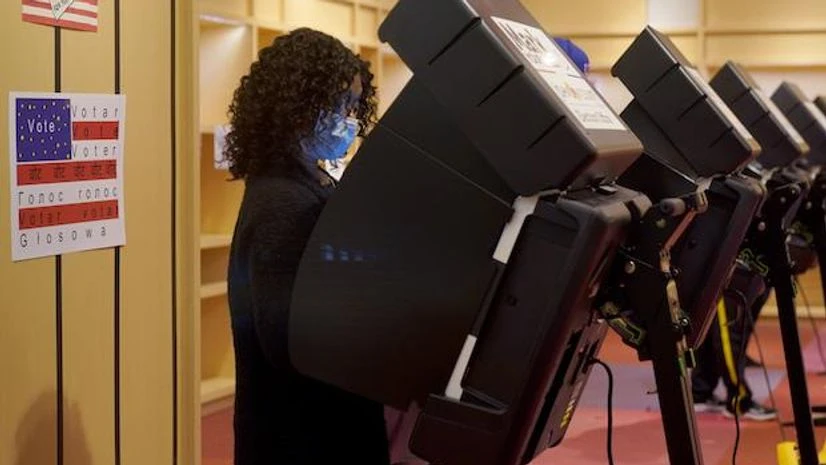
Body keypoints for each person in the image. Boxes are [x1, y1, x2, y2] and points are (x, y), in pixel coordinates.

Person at [225, 28, 390, 464]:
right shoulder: (282, 199)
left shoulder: (303, 181)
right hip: (302, 435)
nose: (349, 119)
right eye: (339, 105)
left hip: (320, 423)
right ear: (296, 104)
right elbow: (286, 341)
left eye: (354, 106)